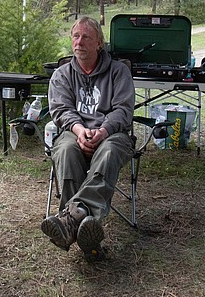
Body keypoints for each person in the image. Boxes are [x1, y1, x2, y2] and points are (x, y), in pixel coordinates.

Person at [40, 16, 135, 262]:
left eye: (86, 37)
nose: (79, 42)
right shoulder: (61, 75)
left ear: (99, 44)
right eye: (75, 36)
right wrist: (80, 130)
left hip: (111, 134)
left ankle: (70, 220)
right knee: (66, 150)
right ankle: (85, 224)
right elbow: (60, 110)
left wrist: (102, 131)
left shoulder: (119, 72)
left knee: (110, 150)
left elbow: (123, 110)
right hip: (74, 132)